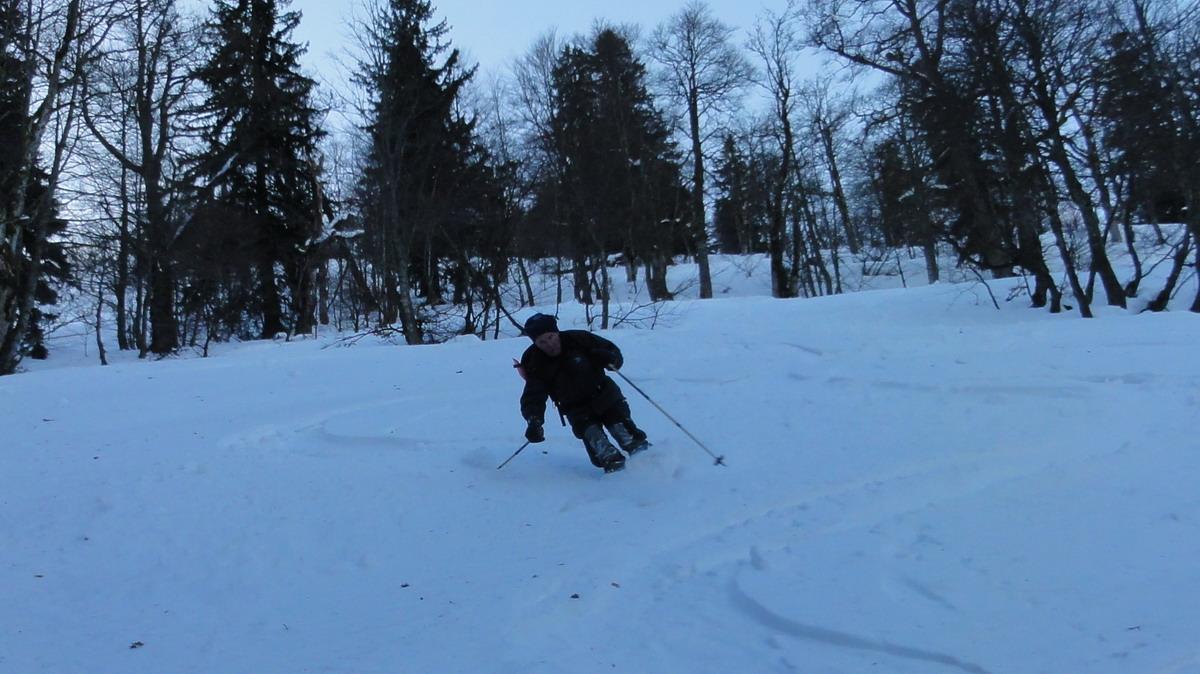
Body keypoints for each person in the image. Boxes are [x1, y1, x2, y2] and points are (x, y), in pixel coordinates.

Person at [516, 313, 650, 473]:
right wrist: (534, 421)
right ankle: (619, 475)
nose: (549, 344)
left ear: (556, 332)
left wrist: (610, 358)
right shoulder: (535, 360)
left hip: (605, 395)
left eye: (551, 337)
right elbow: (533, 394)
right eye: (542, 342)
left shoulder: (579, 339)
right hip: (575, 408)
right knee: (600, 446)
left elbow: (613, 353)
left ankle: (652, 464)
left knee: (625, 434)